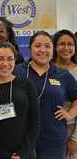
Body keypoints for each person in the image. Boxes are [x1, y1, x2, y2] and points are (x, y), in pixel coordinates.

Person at [13, 31, 77, 159]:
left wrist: (69, 114)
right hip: (20, 141)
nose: (43, 50)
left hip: (52, 142)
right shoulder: (16, 70)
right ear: (30, 49)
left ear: (53, 50)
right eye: (38, 46)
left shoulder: (63, 75)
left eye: (47, 46)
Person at [0, 41, 40, 159]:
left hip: (26, 154)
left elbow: (35, 121)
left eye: (10, 59)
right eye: (0, 59)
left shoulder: (26, 84)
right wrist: (1, 154)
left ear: (15, 61)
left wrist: (23, 152)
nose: (5, 64)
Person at [51, 29, 77, 159]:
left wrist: (75, 138)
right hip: (48, 128)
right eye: (62, 44)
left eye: (70, 44)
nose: (66, 48)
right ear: (55, 46)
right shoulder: (47, 68)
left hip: (69, 129)